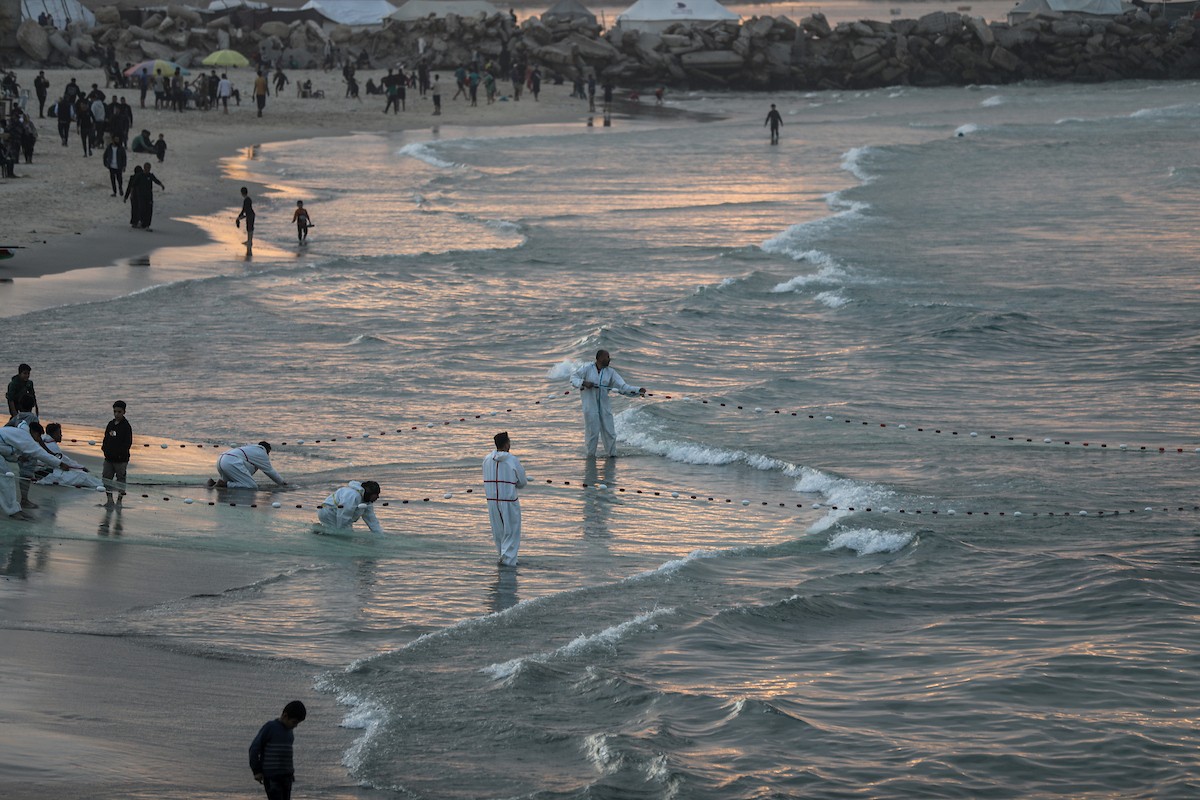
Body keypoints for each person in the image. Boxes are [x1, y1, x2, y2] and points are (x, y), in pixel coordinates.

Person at [570, 349, 646, 458]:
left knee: (610, 433)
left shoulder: (611, 372)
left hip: (604, 407)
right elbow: (573, 378)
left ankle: (612, 456)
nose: (609, 359)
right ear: (599, 358)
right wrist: (583, 383)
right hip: (590, 407)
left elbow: (622, 387)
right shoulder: (586, 369)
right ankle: (590, 457)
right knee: (592, 433)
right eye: (607, 357)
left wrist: (638, 390)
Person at [482, 431, 528, 567]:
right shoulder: (512, 459)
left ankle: (502, 558)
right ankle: (509, 564)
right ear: (507, 444)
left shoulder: (486, 459)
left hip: (492, 501)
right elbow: (522, 482)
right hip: (508, 501)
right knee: (512, 533)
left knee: (498, 533)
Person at [0, 422, 62, 519]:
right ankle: (13, 511)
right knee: (7, 478)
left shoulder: (16, 432)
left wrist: (17, 458)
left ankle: (13, 509)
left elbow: (3, 448)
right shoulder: (23, 435)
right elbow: (38, 452)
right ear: (33, 432)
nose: (38, 439)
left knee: (4, 478)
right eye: (38, 436)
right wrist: (59, 463)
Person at [249, 700, 307, 800]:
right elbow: (254, 748)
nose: (295, 726)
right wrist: (256, 771)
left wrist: (290, 772)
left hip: (286, 777)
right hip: (272, 776)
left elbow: (288, 755)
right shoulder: (270, 727)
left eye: (297, 723)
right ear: (285, 716)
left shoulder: (289, 733)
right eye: (294, 722)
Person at [37, 422, 105, 490]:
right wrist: (81, 467)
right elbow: (64, 462)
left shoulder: (44, 442)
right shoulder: (52, 446)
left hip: (47, 470)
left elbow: (64, 459)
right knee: (82, 476)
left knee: (79, 473)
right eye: (59, 433)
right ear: (54, 434)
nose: (61, 435)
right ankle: (101, 484)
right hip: (51, 474)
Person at [209, 441, 286, 489]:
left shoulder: (250, 448)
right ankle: (223, 483)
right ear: (267, 450)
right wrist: (283, 483)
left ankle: (214, 483)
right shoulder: (262, 453)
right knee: (252, 486)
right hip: (231, 462)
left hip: (221, 459)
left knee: (234, 481)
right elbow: (270, 471)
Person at [317, 480, 383, 533]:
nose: (378, 497)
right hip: (329, 512)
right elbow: (343, 514)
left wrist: (380, 535)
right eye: (376, 494)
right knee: (336, 534)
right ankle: (319, 532)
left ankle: (319, 530)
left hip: (334, 513)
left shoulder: (367, 502)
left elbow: (371, 519)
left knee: (341, 533)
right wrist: (342, 532)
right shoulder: (352, 495)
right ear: (369, 492)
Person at [101, 400, 132, 503]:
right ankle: (109, 499)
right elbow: (106, 438)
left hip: (121, 460)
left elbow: (127, 443)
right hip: (109, 458)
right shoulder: (110, 424)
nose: (117, 414)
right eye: (115, 411)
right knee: (106, 478)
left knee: (121, 479)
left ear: (124, 412)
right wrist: (104, 449)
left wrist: (119, 454)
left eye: (119, 412)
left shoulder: (126, 427)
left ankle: (119, 500)